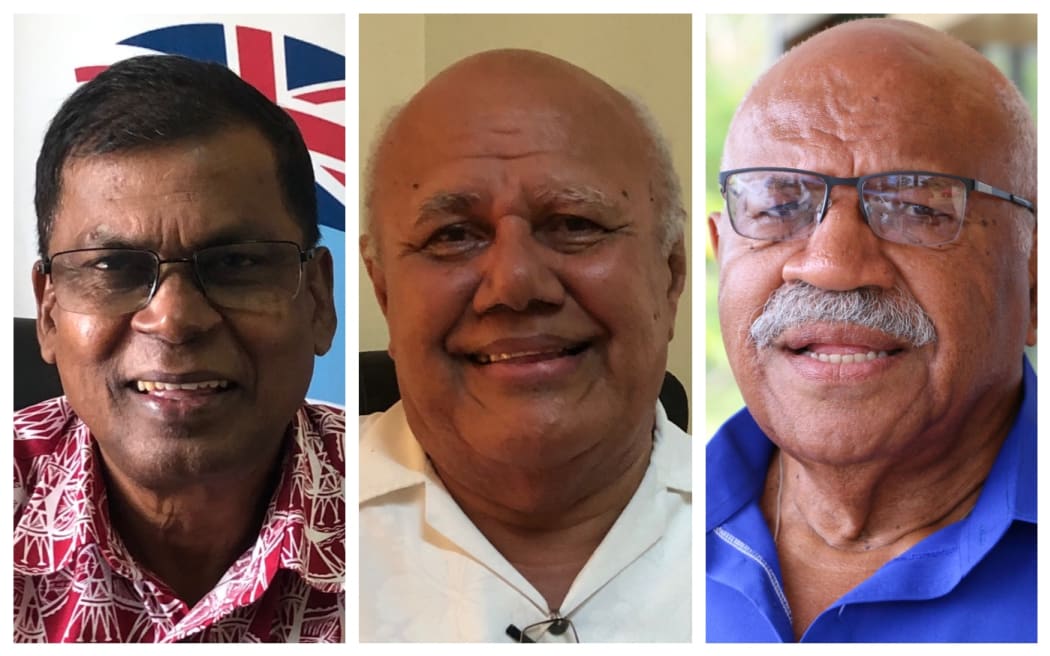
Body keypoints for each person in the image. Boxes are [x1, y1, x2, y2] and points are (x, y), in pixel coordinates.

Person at [707, 18, 1036, 642]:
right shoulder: (658, 529)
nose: (830, 266)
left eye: (916, 206)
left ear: (1034, 281)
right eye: (779, 205)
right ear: (721, 253)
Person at [359, 49, 690, 642]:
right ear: (383, 291)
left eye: (573, 224)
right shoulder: (288, 531)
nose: (514, 284)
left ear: (670, 275)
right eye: (453, 236)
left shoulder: (771, 538)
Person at [13, 55, 343, 643]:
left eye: (237, 263)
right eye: (113, 266)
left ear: (317, 299)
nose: (174, 319)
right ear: (48, 312)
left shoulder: (397, 510)